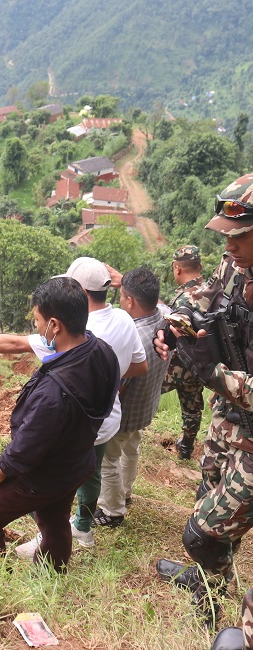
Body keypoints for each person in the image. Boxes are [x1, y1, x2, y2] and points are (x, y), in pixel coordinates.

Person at [0, 257, 146, 551]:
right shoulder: (103, 351)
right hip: (78, 461)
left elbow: (30, 443)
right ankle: (52, 570)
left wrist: (1, 468)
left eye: (37, 321)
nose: (36, 325)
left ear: (55, 325)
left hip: (46, 473)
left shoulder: (53, 391)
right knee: (55, 519)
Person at [154, 173, 253, 631]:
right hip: (227, 414)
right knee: (206, 491)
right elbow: (210, 292)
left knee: (204, 530)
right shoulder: (235, 264)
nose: (228, 247)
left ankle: (211, 609)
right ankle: (206, 580)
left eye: (239, 237)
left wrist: (212, 374)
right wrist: (175, 325)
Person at [95, 268, 170, 526]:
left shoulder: (133, 335)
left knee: (109, 460)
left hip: (125, 411)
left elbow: (120, 385)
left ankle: (112, 510)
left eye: (122, 296)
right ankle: (125, 493)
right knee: (131, 449)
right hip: (145, 406)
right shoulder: (164, 321)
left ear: (130, 301)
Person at [162, 245, 206, 459]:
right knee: (192, 406)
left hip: (174, 365)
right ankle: (187, 447)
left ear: (177, 268)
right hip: (198, 364)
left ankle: (127, 430)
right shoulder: (210, 291)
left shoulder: (183, 299)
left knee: (144, 389)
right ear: (200, 266)